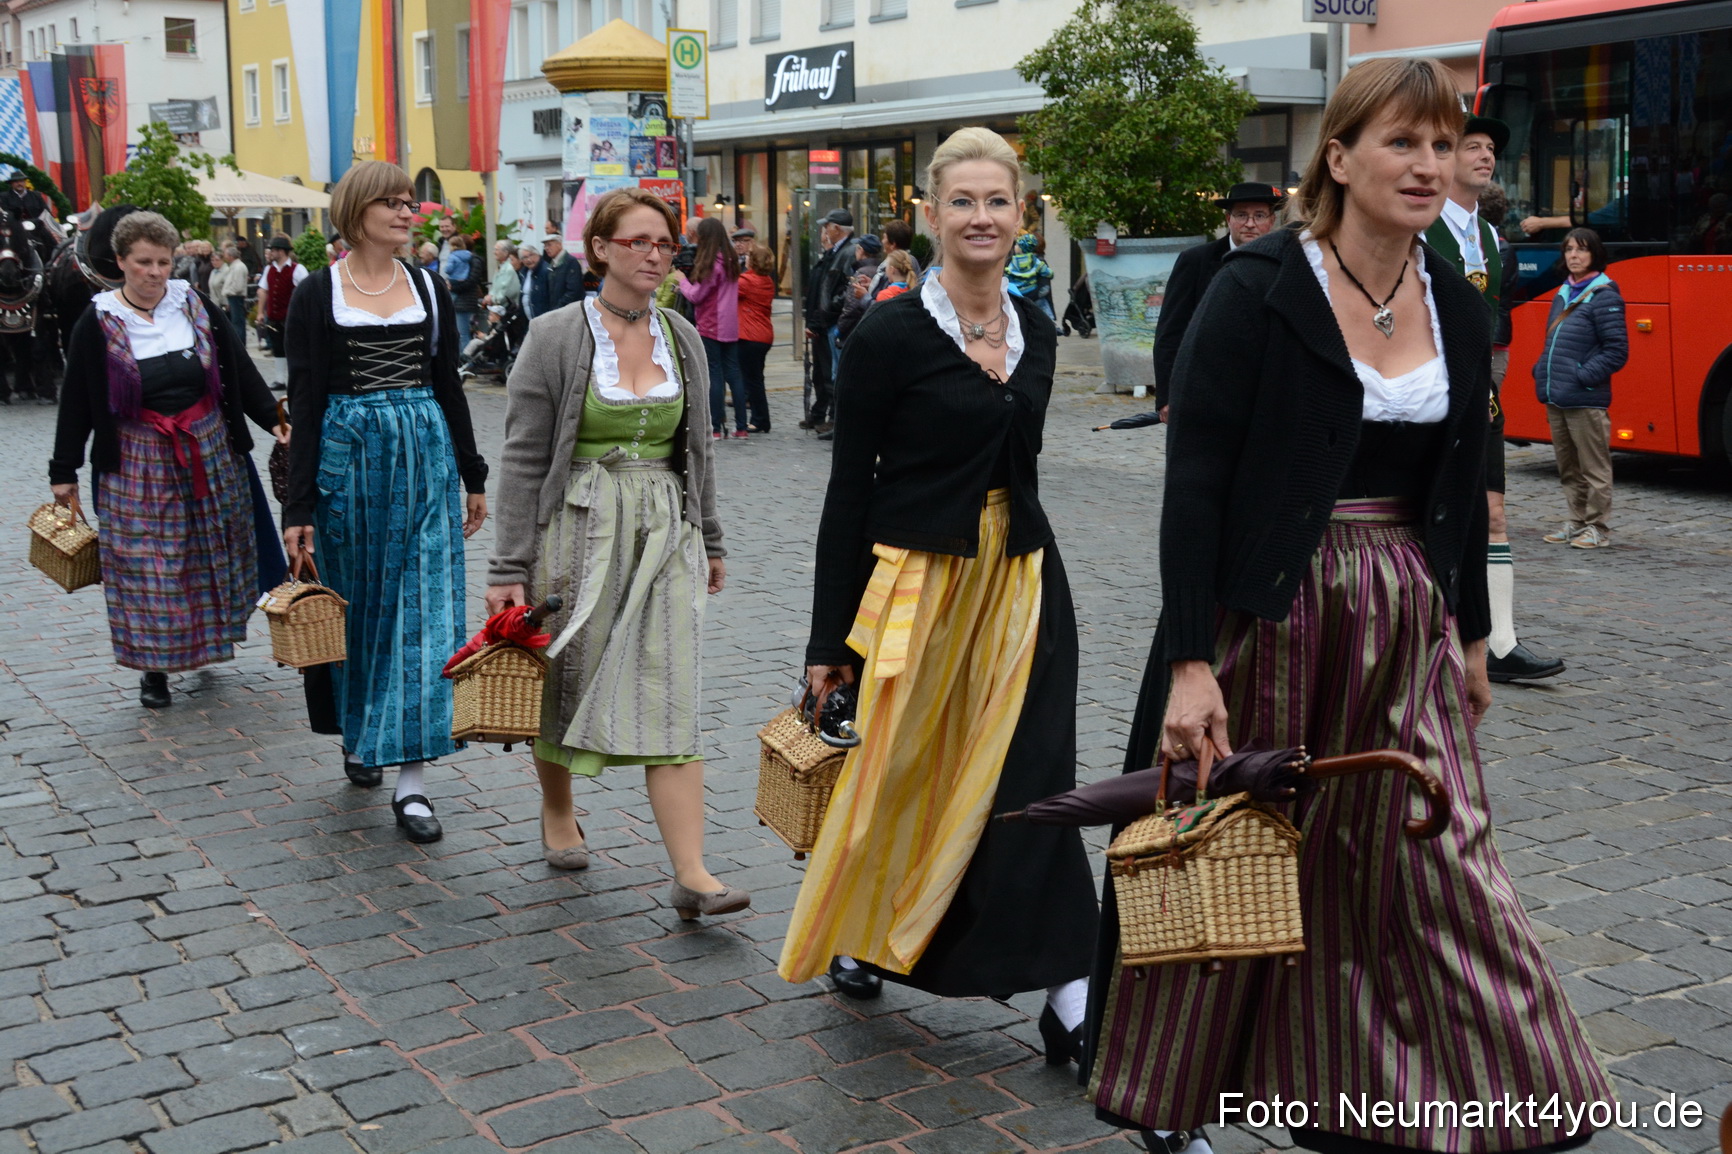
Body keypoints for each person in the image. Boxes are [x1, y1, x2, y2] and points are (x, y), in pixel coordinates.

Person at [1091, 57, 1610, 1153]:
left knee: (1434, 850)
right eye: (1400, 143)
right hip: (1270, 619)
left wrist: (1470, 631)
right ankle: (1206, 1087)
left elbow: (1462, 490)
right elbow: (1194, 491)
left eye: (1439, 144)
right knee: (1251, 855)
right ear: (1337, 158)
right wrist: (1190, 662)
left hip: (1401, 620)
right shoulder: (1256, 290)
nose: (1426, 165)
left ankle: (1512, 1088)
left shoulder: (1459, 310)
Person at [783, 127, 1097, 1058]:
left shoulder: (1036, 332)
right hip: (918, 587)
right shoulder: (884, 334)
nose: (981, 217)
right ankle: (865, 930)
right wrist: (828, 639)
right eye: (961, 201)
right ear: (928, 214)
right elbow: (849, 493)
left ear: (1022, 212)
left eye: (997, 201)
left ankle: (1071, 996)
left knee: (1037, 779)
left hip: (1023, 582)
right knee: (902, 772)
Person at [485, 186, 747, 921]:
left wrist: (713, 538)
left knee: (671, 683)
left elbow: (697, 453)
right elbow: (523, 459)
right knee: (560, 681)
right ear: (599, 247)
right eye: (639, 242)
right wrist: (508, 567)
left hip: (663, 529)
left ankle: (692, 871)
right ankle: (558, 809)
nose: (655, 256)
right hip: (576, 526)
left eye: (666, 245)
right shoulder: (556, 336)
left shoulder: (682, 337)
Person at [281, 161, 489, 845]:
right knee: (361, 608)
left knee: (424, 611)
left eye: (411, 203)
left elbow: (448, 385)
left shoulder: (427, 287)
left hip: (424, 454)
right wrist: (299, 505)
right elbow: (306, 402)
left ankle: (412, 782)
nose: (408, 213)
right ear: (357, 210)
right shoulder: (317, 295)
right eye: (393, 203)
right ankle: (359, 729)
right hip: (351, 462)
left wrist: (472, 471)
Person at [48, 211, 287, 709]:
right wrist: (63, 472)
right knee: (146, 564)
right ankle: (153, 667)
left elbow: (237, 368)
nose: (155, 272)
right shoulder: (98, 322)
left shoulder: (193, 305)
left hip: (207, 445)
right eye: (143, 262)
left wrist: (273, 419)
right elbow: (76, 401)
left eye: (163, 261)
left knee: (209, 554)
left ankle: (204, 643)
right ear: (120, 262)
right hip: (135, 456)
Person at [1424, 119, 1565, 685]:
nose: (1485, 157)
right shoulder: (1421, 223)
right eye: (1472, 147)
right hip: (1430, 391)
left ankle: (1500, 642)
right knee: (1431, 513)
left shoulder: (1485, 234)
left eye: (1490, 150)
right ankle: (1432, 635)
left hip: (1478, 391)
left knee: (1495, 512)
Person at [1152, 182, 1285, 419]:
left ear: (1272, 221)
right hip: (1205, 390)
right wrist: (1168, 397)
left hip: (1268, 394)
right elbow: (1170, 333)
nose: (1250, 224)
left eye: (1259, 215)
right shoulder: (1196, 261)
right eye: (1242, 215)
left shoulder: (1287, 263)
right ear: (1228, 219)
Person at [1534, 227, 1626, 551]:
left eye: (1581, 250)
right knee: (1569, 466)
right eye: (1569, 249)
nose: (1574, 255)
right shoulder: (1564, 292)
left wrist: (1583, 376)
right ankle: (1576, 520)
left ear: (1595, 255)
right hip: (1557, 394)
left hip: (1584, 396)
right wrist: (1541, 370)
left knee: (1594, 466)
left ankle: (1597, 526)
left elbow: (1617, 350)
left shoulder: (1604, 295)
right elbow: (1553, 340)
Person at [677, 216, 748, 439]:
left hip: (711, 324)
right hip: (730, 325)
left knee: (714, 375)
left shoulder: (712, 265)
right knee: (734, 374)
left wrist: (681, 281)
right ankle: (741, 427)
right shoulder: (731, 261)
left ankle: (715, 427)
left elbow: (696, 295)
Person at [799, 209, 858, 432]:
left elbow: (844, 291)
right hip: (823, 320)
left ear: (837, 229)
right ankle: (821, 412)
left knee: (830, 372)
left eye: (827, 226)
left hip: (832, 321)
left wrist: (825, 313)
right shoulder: (835, 252)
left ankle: (833, 417)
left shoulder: (848, 252)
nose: (824, 231)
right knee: (821, 372)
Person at [737, 243, 776, 433]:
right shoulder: (767, 280)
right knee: (756, 379)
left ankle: (760, 420)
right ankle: (761, 418)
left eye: (748, 256)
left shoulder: (746, 281)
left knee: (752, 380)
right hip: (763, 334)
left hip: (749, 335)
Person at [258, 236, 306, 388]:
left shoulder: (297, 269)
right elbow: (263, 291)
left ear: (282, 251)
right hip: (274, 317)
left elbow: (306, 291)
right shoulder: (269, 269)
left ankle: (295, 378)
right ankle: (280, 379)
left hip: (291, 318)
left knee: (293, 349)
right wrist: (260, 312)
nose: (271, 252)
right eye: (271, 250)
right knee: (278, 349)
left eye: (274, 250)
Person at [442, 233, 480, 349]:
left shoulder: (457, 257)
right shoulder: (469, 258)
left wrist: (452, 286)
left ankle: (465, 360)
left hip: (463, 300)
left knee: (462, 333)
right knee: (462, 332)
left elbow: (471, 281)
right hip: (465, 300)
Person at [1004, 233, 1054, 319]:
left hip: (1019, 302)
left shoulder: (1012, 262)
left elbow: (1006, 279)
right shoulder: (1038, 263)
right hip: (1034, 304)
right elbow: (1045, 286)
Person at [210, 245, 250, 339]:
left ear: (231, 256)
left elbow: (238, 286)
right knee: (236, 321)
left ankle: (240, 342)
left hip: (236, 297)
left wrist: (226, 291)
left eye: (226, 255)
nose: (225, 256)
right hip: (233, 297)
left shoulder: (238, 267)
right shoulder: (234, 266)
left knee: (237, 321)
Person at [543, 233, 585, 310]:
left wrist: (558, 308)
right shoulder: (552, 264)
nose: (546, 248)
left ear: (559, 245)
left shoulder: (571, 262)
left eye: (549, 245)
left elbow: (574, 291)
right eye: (545, 246)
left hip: (569, 311)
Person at [518, 244, 552, 319]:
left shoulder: (547, 271)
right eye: (525, 257)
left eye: (531, 255)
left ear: (538, 255)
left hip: (544, 319)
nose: (529, 260)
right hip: (529, 321)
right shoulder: (524, 273)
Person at [484, 240, 521, 309]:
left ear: (506, 252)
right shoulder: (502, 267)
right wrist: (490, 296)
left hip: (507, 309)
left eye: (496, 250)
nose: (494, 252)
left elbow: (507, 292)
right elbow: (496, 288)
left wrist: (492, 299)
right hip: (499, 308)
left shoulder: (509, 269)